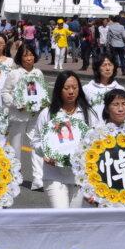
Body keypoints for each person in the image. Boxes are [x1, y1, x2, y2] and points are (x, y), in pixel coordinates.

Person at [33, 71, 95, 208]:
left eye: (74, 87)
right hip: (54, 174)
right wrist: (45, 153)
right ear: (59, 89)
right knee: (62, 214)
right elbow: (36, 140)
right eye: (66, 88)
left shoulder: (88, 113)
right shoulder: (48, 113)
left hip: (79, 176)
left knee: (72, 220)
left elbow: (97, 141)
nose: (71, 91)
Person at [4, 43, 46, 191]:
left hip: (35, 114)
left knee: (36, 143)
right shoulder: (14, 74)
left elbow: (42, 91)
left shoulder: (38, 73)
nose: (29, 58)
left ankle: (38, 179)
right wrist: (16, 103)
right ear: (20, 58)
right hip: (19, 115)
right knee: (16, 145)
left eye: (31, 54)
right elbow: (5, 92)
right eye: (25, 55)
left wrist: (42, 102)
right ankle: (15, 175)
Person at [84, 53, 121, 119]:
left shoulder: (119, 89)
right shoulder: (87, 89)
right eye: (104, 65)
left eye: (110, 65)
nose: (107, 68)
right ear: (98, 68)